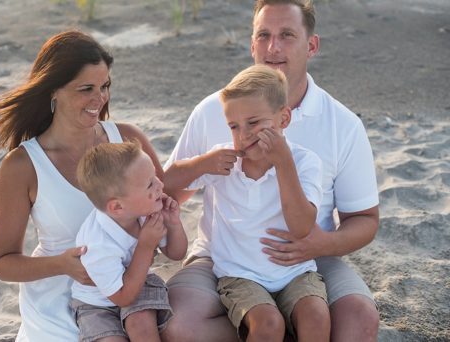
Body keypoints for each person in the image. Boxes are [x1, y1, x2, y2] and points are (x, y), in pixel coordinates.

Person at [161, 1, 381, 340]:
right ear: (252, 44)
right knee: (178, 325)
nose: (273, 47)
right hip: (226, 258)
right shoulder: (214, 110)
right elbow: (169, 190)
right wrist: (200, 166)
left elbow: (365, 218)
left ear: (312, 45)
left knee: (359, 319)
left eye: (287, 35)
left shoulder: (343, 125)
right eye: (263, 35)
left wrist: (322, 244)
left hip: (309, 257)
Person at [0, 30, 166, 341]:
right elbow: (3, 264)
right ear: (53, 89)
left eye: (105, 86)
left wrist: (201, 167)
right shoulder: (22, 166)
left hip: (130, 285)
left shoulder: (126, 138)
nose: (100, 99)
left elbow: (165, 197)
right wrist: (63, 265)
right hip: (58, 298)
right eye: (86, 89)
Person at [191, 65, 329, 341]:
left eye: (254, 123)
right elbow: (168, 181)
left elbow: (302, 227)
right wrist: (199, 164)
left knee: (316, 317)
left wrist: (283, 162)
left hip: (295, 272)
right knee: (268, 325)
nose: (244, 135)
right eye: (234, 126)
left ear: (284, 118)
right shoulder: (224, 161)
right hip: (240, 274)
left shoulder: (304, 162)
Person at [70, 142, 187, 342]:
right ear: (117, 207)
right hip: (96, 303)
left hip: (139, 283)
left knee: (141, 325)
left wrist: (174, 224)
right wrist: (146, 245)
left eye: (155, 178)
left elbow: (177, 254)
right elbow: (123, 297)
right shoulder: (97, 244)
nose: (160, 184)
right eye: (150, 184)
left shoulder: (145, 212)